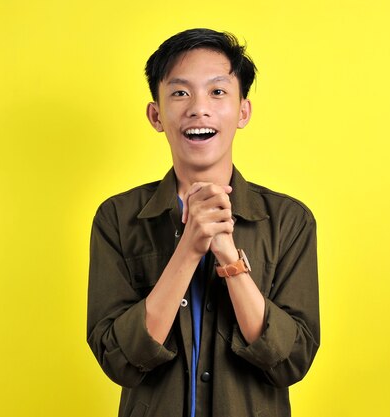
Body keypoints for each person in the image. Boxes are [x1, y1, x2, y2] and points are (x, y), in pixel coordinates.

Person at [87, 28, 320, 417]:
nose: (199, 108)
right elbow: (119, 359)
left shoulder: (290, 221)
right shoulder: (117, 218)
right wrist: (190, 246)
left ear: (242, 111)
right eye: (180, 93)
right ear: (156, 114)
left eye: (217, 92)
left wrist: (228, 257)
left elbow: (290, 361)